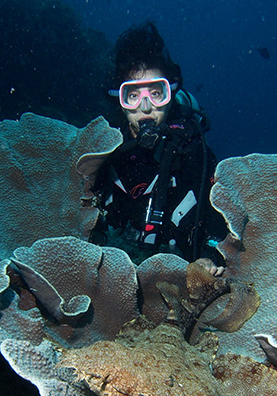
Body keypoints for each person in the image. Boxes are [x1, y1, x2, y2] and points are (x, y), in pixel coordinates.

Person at [89, 22, 227, 275]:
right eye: (132, 95)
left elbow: (216, 215)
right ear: (119, 100)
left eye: (155, 93)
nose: (145, 107)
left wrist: (208, 256)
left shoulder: (192, 149)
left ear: (170, 94)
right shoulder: (100, 148)